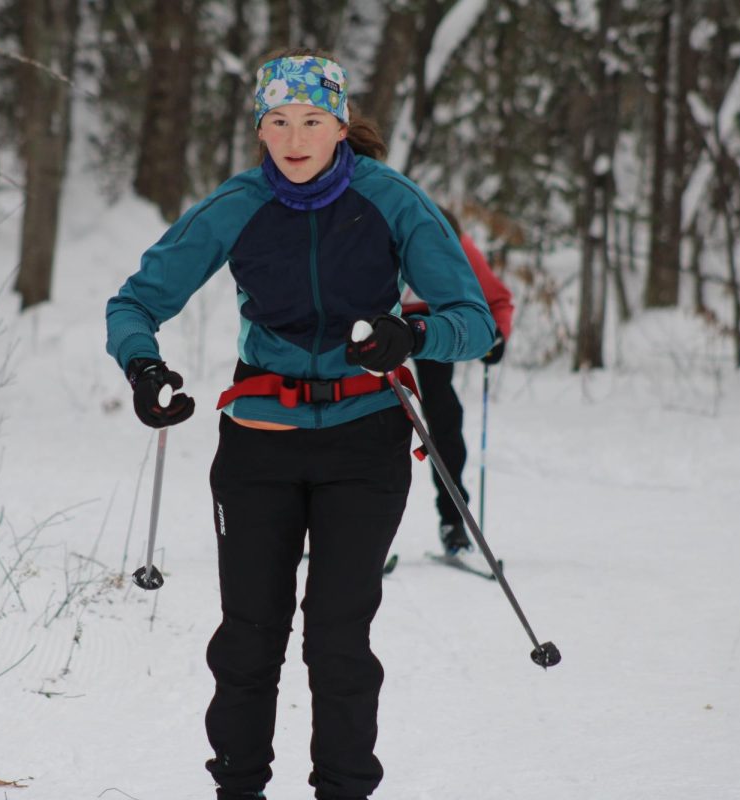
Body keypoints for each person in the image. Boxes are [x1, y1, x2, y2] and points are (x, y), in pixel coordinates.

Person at [105, 47, 493, 800]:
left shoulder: (393, 199)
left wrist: (411, 337)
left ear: (341, 126)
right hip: (261, 440)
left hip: (366, 436)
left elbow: (472, 322)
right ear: (260, 128)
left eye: (312, 120)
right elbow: (135, 303)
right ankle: (238, 790)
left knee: (339, 641)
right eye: (278, 121)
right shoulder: (238, 204)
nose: (294, 138)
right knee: (249, 641)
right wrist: (143, 369)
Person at [401, 206, 514, 555]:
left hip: (434, 326)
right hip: (384, 322)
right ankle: (348, 526)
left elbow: (496, 299)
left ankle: (453, 520)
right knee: (370, 414)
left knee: (443, 415)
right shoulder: (385, 237)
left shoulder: (458, 245)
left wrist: (497, 336)